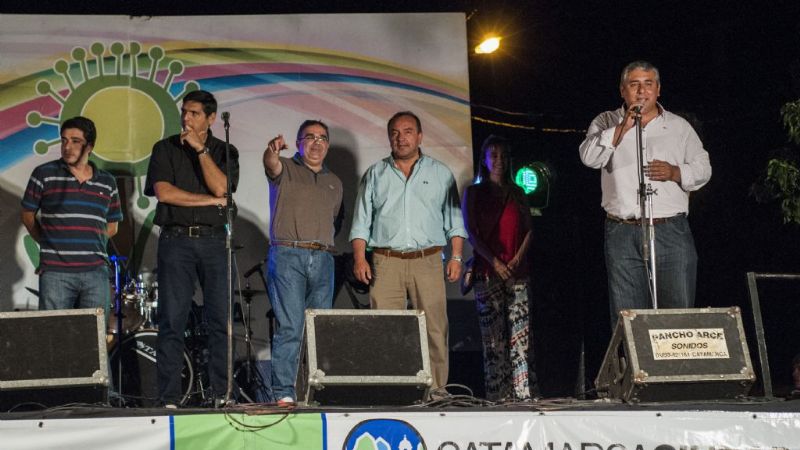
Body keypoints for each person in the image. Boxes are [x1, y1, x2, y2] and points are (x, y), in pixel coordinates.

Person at [578, 61, 712, 327]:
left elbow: (703, 168)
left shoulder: (678, 126)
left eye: (648, 84)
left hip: (670, 230)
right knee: (629, 317)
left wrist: (676, 172)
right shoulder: (606, 121)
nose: (641, 91)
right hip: (622, 231)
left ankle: (676, 367)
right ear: (623, 90)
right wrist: (622, 128)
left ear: (658, 89)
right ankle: (635, 367)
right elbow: (589, 157)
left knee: (678, 313)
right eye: (634, 84)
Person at [350, 111, 467, 392]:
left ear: (420, 136)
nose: (401, 138)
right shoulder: (375, 174)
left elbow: (455, 222)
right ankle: (393, 389)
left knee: (434, 329)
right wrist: (358, 258)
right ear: (389, 136)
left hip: (426, 260)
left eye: (408, 131)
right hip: (386, 261)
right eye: (395, 133)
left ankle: (437, 390)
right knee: (386, 328)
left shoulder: (440, 173)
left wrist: (456, 256)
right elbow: (361, 222)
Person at [144, 90, 239, 407]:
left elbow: (222, 187)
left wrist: (201, 151)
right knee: (172, 320)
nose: (186, 118)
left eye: (194, 113)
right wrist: (211, 202)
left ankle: (220, 394)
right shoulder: (165, 148)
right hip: (176, 241)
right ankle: (169, 396)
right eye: (184, 111)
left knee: (219, 321)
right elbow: (165, 193)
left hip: (214, 241)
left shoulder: (225, 150)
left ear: (211, 118)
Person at [262, 120, 343, 406]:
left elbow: (333, 217)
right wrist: (272, 151)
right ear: (298, 143)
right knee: (291, 326)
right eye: (309, 137)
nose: (316, 142)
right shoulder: (285, 168)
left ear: (328, 145)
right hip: (288, 256)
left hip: (322, 258)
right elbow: (270, 163)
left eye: (322, 138)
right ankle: (284, 392)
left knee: (320, 328)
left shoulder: (335, 181)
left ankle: (319, 390)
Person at [21, 116, 122, 314]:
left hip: (95, 273)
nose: (68, 147)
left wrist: (86, 242)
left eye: (76, 141)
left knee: (94, 336)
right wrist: (50, 243)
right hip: (55, 272)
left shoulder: (107, 181)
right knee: (54, 335)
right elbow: (27, 216)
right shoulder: (44, 173)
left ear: (90, 146)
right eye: (64, 140)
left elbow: (113, 226)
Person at [462, 135, 536, 402]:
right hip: (486, 273)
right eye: (493, 155)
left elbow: (528, 229)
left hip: (518, 273)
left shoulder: (517, 192)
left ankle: (522, 393)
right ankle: (498, 396)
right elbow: (472, 233)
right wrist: (495, 262)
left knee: (519, 339)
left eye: (503, 155)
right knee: (493, 341)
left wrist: (516, 259)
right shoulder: (474, 192)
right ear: (484, 159)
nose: (499, 161)